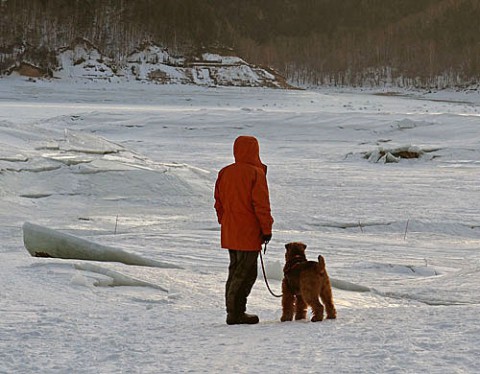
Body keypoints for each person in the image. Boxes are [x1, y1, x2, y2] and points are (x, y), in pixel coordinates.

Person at [214, 135, 274, 325]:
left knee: (235, 270)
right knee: (246, 273)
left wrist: (225, 221)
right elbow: (261, 205)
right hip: (248, 231)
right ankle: (236, 312)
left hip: (231, 230)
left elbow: (218, 203)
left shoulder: (225, 172)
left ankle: (234, 310)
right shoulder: (256, 173)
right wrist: (266, 229)